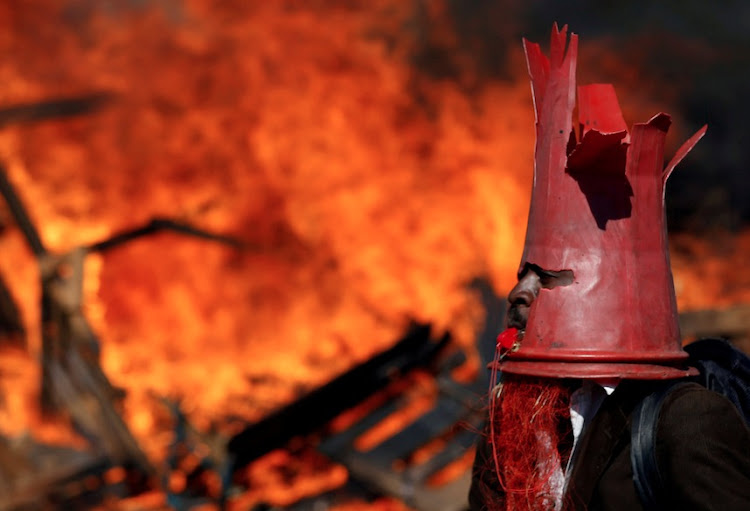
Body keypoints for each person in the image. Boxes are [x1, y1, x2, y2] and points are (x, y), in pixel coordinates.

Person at [468, 25, 750, 511]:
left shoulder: (684, 423)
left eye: (549, 276)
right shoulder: (508, 423)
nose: (518, 293)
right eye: (524, 274)